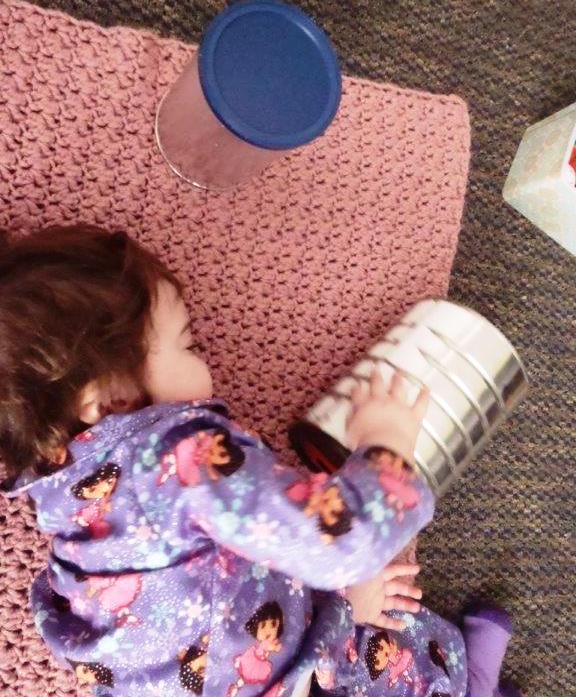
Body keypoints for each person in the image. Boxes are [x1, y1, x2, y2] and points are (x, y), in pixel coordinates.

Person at [0, 225, 520, 697]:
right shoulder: (176, 460)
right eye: (188, 346)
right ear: (110, 398)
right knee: (386, 652)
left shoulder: (64, 495)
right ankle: (468, 686)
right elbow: (339, 542)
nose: (204, 361)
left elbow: (225, 565)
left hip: (214, 651)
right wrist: (386, 444)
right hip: (279, 672)